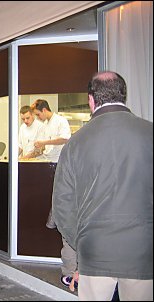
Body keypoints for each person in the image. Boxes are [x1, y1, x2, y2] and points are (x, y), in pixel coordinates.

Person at [52, 71, 153, 300]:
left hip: (95, 252)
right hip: (143, 251)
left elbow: (62, 205)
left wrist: (82, 241)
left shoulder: (75, 143)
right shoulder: (150, 134)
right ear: (123, 95)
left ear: (91, 99)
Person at [30, 99, 76, 288]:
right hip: (46, 164)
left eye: (37, 114)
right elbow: (43, 148)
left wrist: (45, 142)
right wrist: (36, 150)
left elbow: (65, 139)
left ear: (44, 110)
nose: (37, 118)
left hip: (58, 166)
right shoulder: (45, 125)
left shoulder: (60, 121)